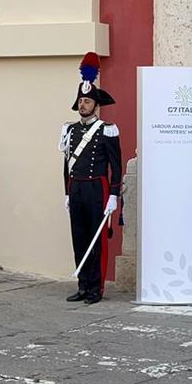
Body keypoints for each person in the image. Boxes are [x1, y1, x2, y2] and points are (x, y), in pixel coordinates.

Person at [59, 52, 122, 305]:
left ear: (97, 105)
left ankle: (96, 289)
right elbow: (66, 164)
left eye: (87, 101)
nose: (83, 104)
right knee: (80, 237)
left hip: (98, 188)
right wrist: (66, 191)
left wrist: (114, 196)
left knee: (97, 242)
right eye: (81, 100)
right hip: (76, 189)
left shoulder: (107, 130)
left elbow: (116, 165)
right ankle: (83, 286)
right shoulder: (70, 130)